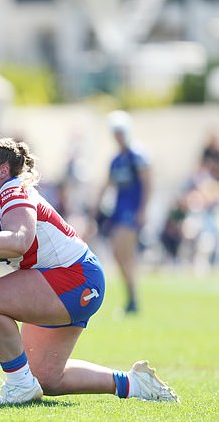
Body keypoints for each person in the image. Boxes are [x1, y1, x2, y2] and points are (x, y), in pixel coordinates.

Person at [0, 138, 178, 405]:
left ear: (3, 171)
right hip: (68, 278)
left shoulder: (12, 190)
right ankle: (133, 383)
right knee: (47, 378)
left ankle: (18, 384)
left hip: (73, 277)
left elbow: (19, 239)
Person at [92, 110, 151, 313]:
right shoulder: (116, 159)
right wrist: (95, 208)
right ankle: (132, 299)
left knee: (123, 252)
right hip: (118, 211)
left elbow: (147, 183)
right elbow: (106, 185)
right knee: (119, 255)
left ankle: (133, 299)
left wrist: (143, 210)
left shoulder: (138, 156)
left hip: (131, 212)